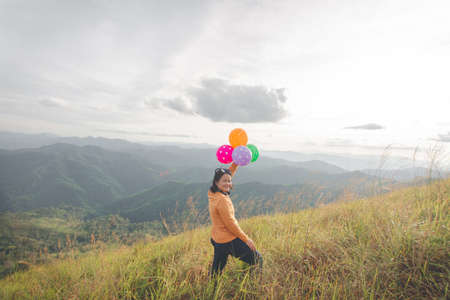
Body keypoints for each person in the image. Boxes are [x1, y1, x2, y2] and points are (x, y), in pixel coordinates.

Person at [208, 162, 263, 278]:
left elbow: (227, 175)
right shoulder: (222, 200)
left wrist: (236, 163)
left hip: (218, 240)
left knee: (216, 271)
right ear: (216, 183)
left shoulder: (212, 193)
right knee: (258, 260)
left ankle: (211, 290)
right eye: (225, 181)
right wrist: (246, 239)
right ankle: (255, 283)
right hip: (229, 240)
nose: (228, 183)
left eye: (229, 181)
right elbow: (230, 223)